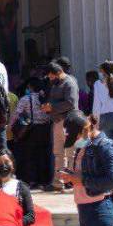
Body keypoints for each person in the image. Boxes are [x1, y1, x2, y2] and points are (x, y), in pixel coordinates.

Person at [60, 111, 113, 226]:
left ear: (85, 130)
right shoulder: (86, 146)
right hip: (85, 208)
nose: (76, 142)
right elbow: (87, 172)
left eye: (76, 138)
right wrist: (71, 177)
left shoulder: (105, 146)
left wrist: (81, 180)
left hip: (99, 209)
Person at [41, 60, 78, 193]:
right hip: (58, 121)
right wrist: (48, 106)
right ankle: (58, 182)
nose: (50, 78)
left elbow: (70, 103)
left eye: (51, 76)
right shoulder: (56, 84)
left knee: (70, 154)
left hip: (68, 121)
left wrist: (52, 107)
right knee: (58, 153)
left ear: (58, 73)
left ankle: (72, 182)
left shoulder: (69, 83)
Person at [0, 153, 34, 226]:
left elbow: (30, 216)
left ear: (12, 166)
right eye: (0, 162)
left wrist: (13, 223)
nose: (3, 164)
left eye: (7, 162)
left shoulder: (22, 187)